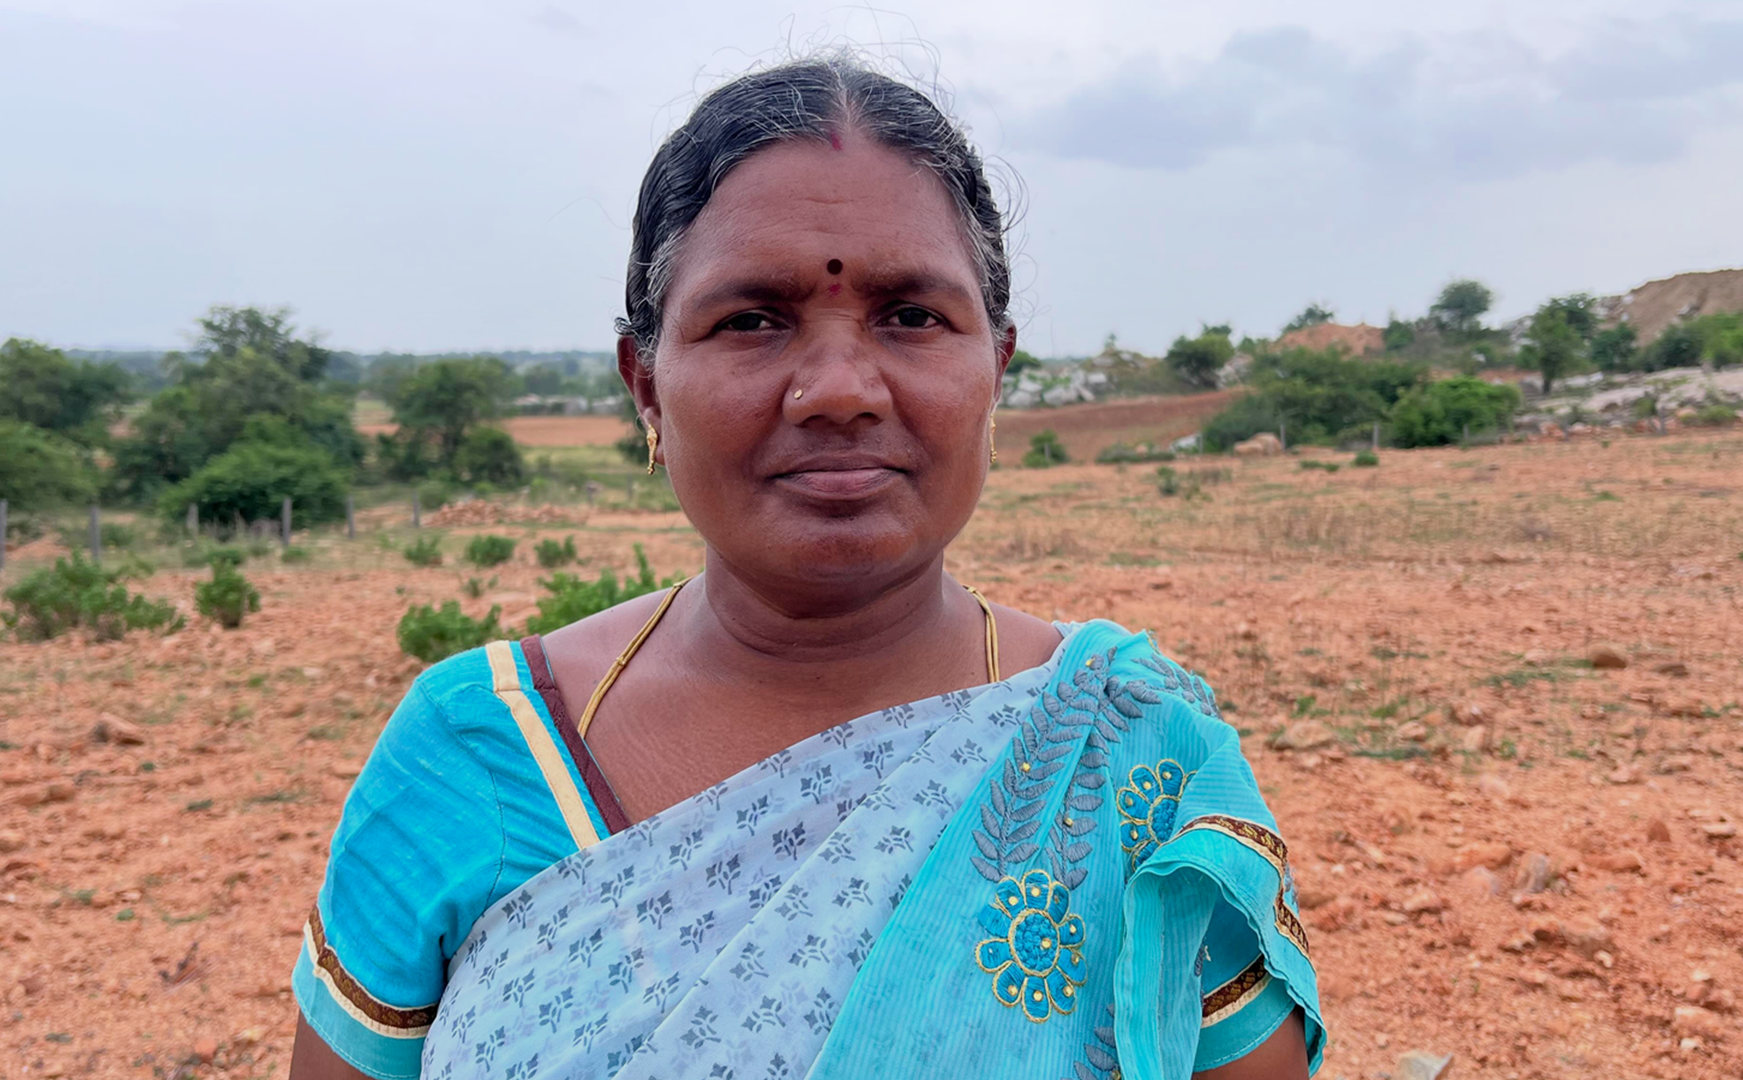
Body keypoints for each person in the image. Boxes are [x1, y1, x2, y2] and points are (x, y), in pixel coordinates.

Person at [290, 55, 1322, 1080]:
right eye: (752, 320)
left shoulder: (1135, 757)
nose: (838, 390)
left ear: (996, 367)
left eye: (913, 316)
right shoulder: (472, 752)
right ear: (645, 382)